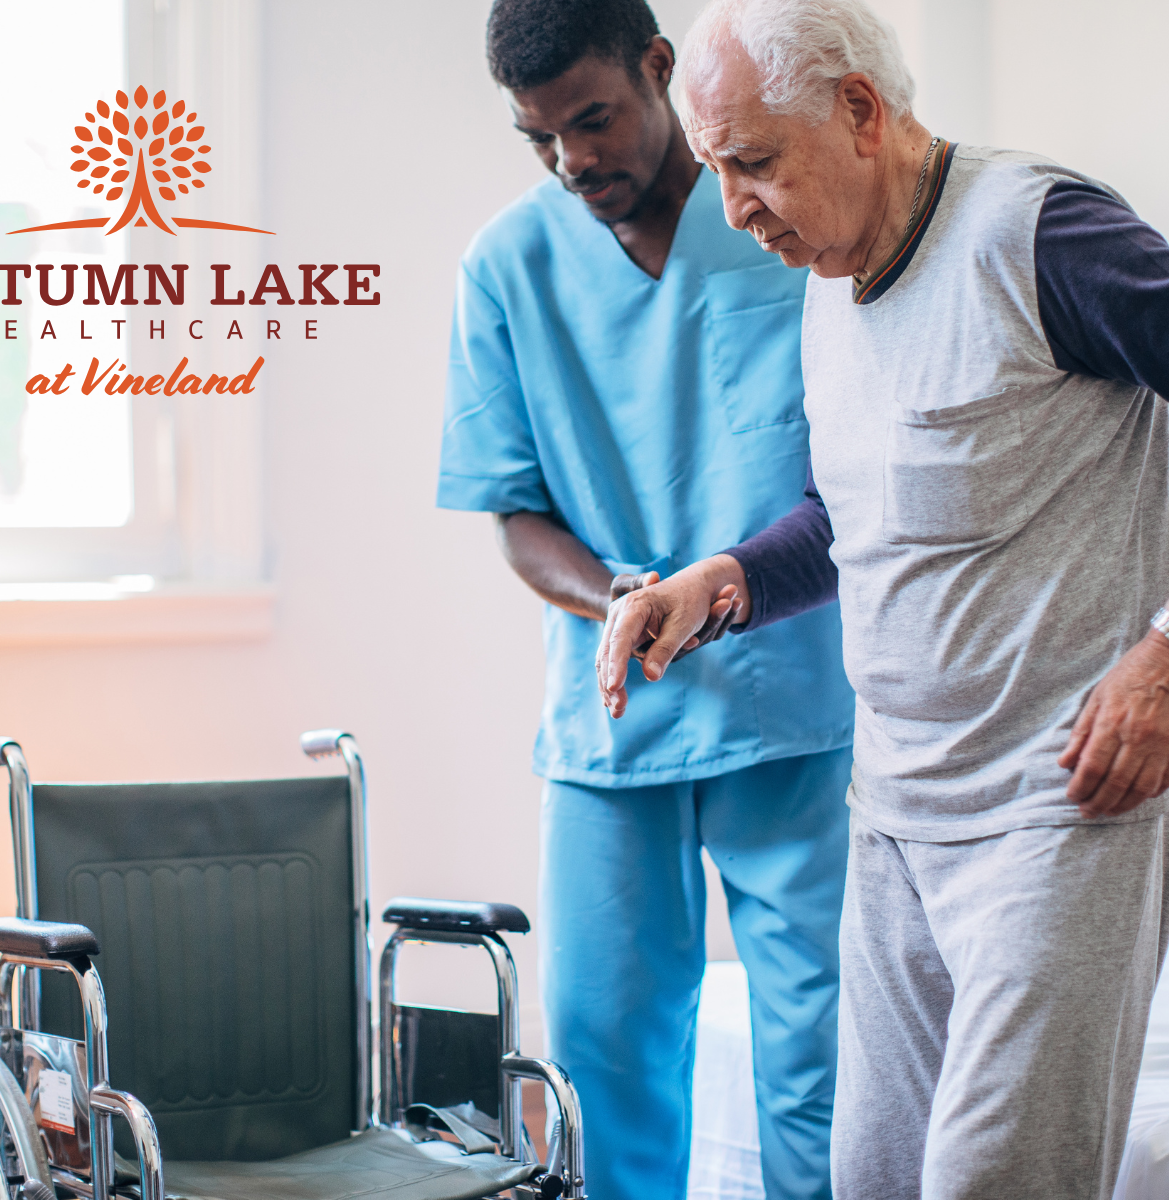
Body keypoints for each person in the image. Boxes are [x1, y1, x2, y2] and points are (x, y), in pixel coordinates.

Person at [596, 1, 1169, 1197]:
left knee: (990, 1182)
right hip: (898, 809)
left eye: (754, 164)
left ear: (858, 110)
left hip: (1063, 800)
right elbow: (854, 520)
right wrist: (724, 582)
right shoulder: (827, 278)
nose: (735, 210)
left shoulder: (1037, 234)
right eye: (719, 170)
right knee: (878, 1177)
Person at [437, 1, 858, 1196]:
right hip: (612, 719)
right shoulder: (507, 267)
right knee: (607, 1064)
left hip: (789, 706)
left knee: (817, 1064)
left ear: (659, 70)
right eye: (540, 138)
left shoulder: (779, 229)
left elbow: (853, 475)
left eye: (593, 119)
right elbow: (515, 514)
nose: (574, 160)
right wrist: (626, 593)